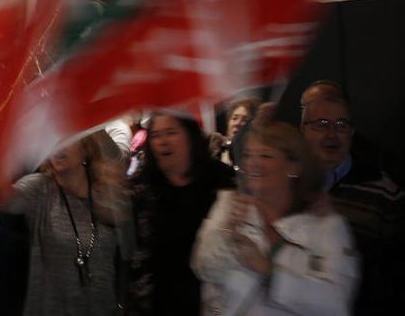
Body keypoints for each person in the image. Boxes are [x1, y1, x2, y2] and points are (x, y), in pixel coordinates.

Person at [192, 122, 359, 315]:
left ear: (294, 166)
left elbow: (336, 303)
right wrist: (228, 231)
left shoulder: (326, 226)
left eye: (265, 155)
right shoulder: (229, 204)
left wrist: (270, 271)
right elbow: (204, 267)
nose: (251, 163)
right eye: (248, 154)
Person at [0, 130, 132, 316]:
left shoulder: (106, 194)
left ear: (86, 149)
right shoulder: (40, 188)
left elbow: (129, 252)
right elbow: (1, 198)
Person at [301, 94, 405, 314]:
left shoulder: (384, 192)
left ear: (352, 132)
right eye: (321, 124)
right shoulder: (287, 185)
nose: (332, 134)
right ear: (303, 130)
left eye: (341, 125)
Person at [127, 112, 235, 316]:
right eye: (157, 135)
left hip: (210, 301)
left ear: (190, 136)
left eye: (171, 133)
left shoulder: (222, 182)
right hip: (154, 303)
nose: (163, 141)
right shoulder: (141, 188)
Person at [209, 97, 261, 166]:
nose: (237, 123)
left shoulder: (257, 155)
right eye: (234, 118)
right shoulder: (215, 147)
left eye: (244, 120)